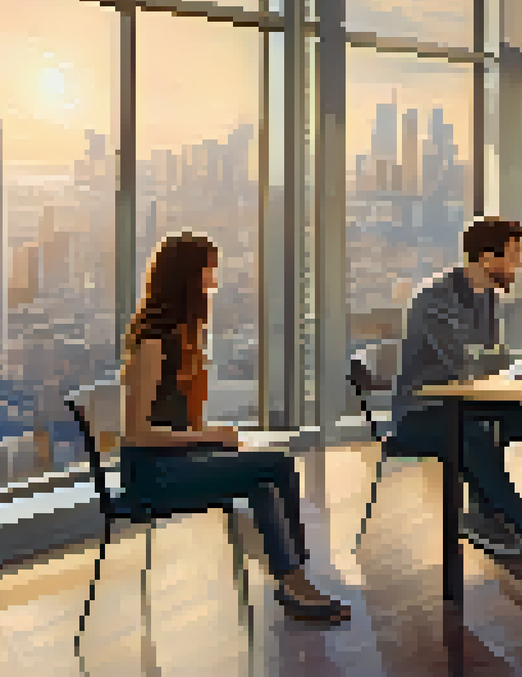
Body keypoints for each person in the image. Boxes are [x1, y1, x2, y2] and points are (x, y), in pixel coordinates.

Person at [119, 231, 350, 624]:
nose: (214, 280)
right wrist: (210, 436)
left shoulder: (183, 337)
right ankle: (299, 574)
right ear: (187, 278)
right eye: (208, 270)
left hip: (179, 459)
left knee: (261, 485)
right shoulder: (153, 342)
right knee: (275, 464)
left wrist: (209, 436)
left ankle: (293, 581)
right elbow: (136, 434)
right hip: (152, 473)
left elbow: (175, 421)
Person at [391, 217, 522, 562]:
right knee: (473, 435)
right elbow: (464, 363)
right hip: (420, 414)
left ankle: (515, 513)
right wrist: (519, 361)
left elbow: (487, 362)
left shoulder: (488, 297)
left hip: (465, 404)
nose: (519, 264)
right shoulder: (435, 299)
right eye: (512, 255)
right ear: (485, 258)